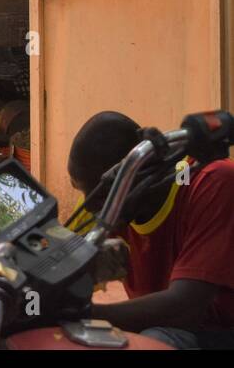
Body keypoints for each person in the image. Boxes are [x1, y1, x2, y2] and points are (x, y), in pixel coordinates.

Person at [67, 110, 234, 349]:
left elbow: (185, 309)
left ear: (139, 171)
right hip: (170, 329)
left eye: (98, 194)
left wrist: (83, 315)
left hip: (217, 332)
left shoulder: (213, 182)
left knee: (156, 338)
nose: (91, 206)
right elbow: (58, 259)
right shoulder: (107, 199)